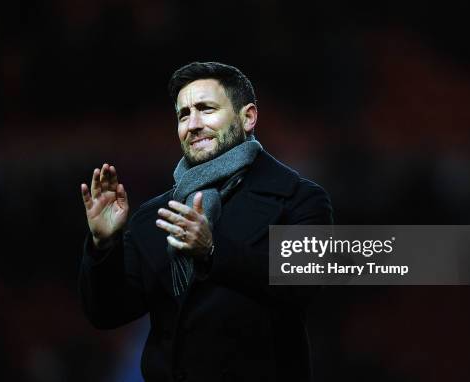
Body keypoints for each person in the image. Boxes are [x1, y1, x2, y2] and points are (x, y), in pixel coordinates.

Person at [79, 62, 333, 382]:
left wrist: (213, 251)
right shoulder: (156, 215)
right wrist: (104, 246)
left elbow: (305, 286)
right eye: (183, 115)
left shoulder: (299, 199)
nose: (193, 124)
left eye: (206, 109)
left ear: (248, 117)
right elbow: (107, 313)